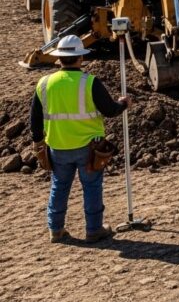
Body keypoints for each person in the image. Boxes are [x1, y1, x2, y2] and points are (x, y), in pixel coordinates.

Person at [30, 35, 129, 243]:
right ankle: (94, 230)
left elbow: (35, 120)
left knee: (59, 187)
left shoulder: (44, 84)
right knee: (92, 187)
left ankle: (55, 230)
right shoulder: (89, 82)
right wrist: (123, 103)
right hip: (89, 147)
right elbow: (110, 110)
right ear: (80, 58)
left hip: (58, 146)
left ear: (59, 59)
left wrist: (38, 143)